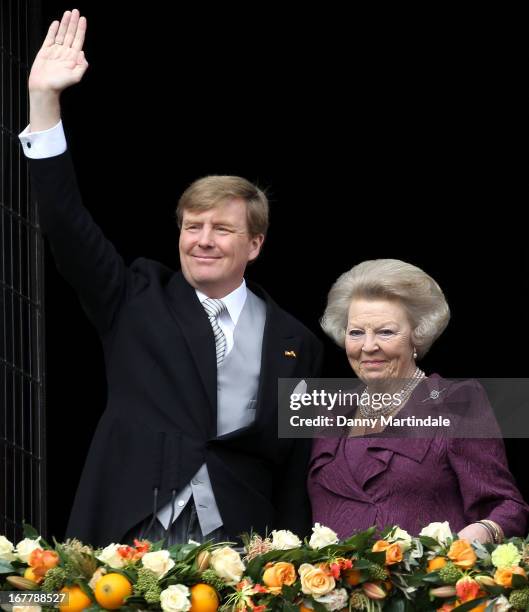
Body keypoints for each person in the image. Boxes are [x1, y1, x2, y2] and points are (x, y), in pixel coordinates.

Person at [20, 9, 323, 547]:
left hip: (242, 543)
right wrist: (44, 103)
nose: (202, 239)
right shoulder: (134, 296)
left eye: (222, 228)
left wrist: (298, 561)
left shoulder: (295, 340)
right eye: (192, 226)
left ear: (255, 245)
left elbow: (295, 465)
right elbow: (66, 223)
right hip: (131, 529)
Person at [308, 259, 529, 542]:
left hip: (425, 584)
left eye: (385, 332)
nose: (368, 346)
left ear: (417, 335)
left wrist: (477, 535)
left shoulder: (456, 403)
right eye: (356, 333)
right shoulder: (328, 410)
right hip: (330, 585)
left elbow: (507, 507)